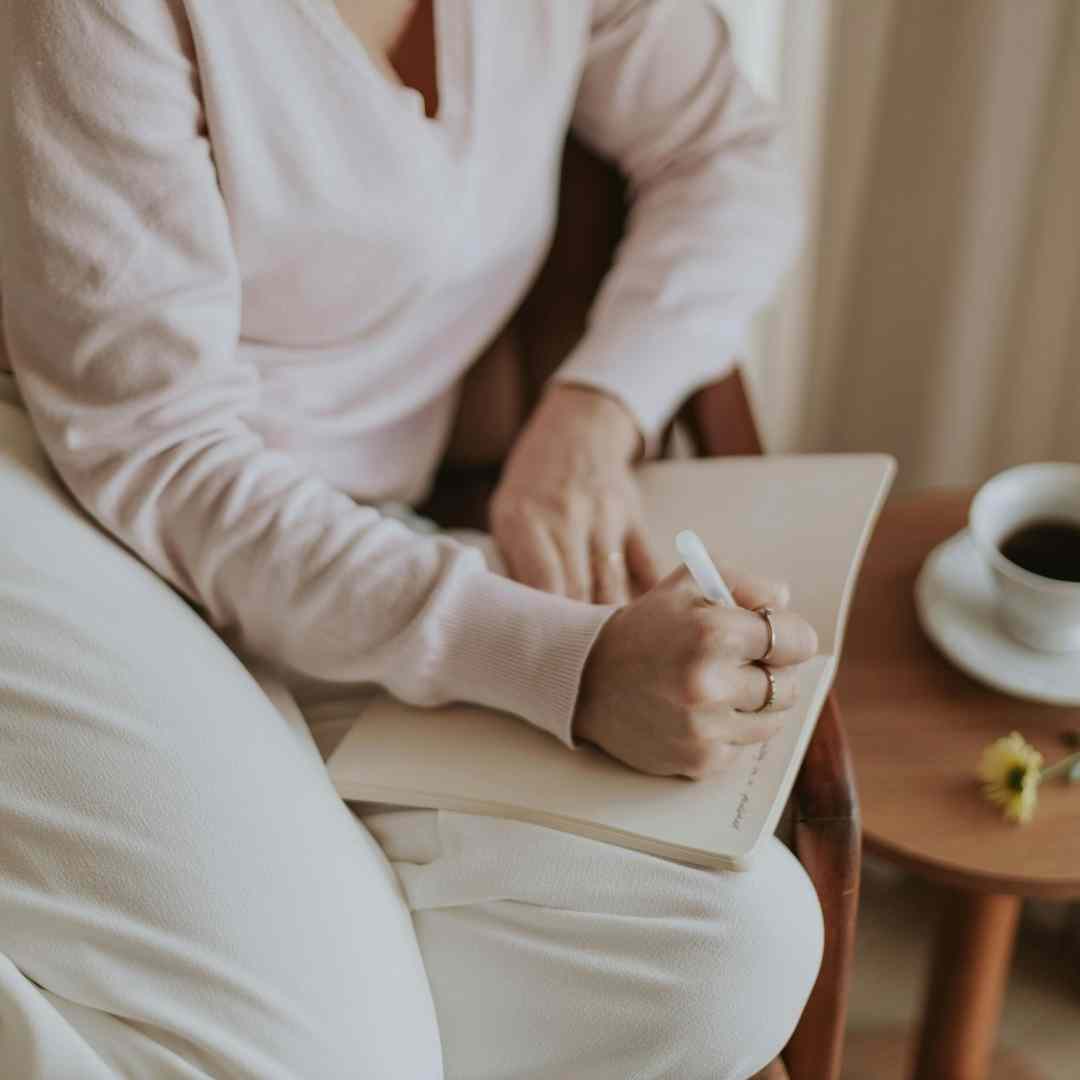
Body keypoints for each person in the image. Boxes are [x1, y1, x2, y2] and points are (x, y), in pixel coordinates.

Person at [0, 1, 823, 1077]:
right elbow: (161, 451)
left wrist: (595, 409)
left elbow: (729, 152)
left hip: (349, 551)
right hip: (71, 509)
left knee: (738, 950)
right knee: (330, 1058)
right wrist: (561, 668)